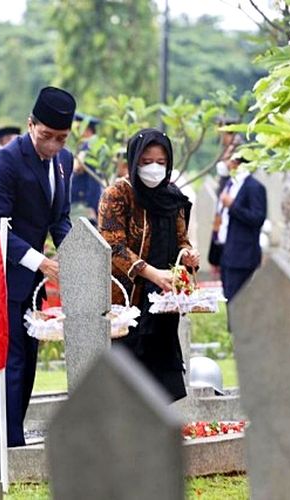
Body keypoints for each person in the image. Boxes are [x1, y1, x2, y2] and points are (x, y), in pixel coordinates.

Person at [0, 86, 76, 480]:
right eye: (46, 136)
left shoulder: (64, 162)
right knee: (7, 363)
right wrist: (42, 261)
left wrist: (78, 255)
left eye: (61, 138)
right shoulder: (5, 162)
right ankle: (11, 454)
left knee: (26, 364)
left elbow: (59, 219)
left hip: (30, 277)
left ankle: (4, 455)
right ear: (30, 126)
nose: (53, 145)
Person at [98, 128, 200, 402]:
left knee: (161, 385)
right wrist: (151, 273)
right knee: (127, 384)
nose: (154, 168)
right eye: (146, 162)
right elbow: (113, 247)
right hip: (128, 301)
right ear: (133, 161)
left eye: (161, 162)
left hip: (163, 305)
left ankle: (155, 440)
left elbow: (181, 240)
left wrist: (188, 256)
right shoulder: (118, 194)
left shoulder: (172, 197)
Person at [216, 154, 267, 301]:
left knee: (238, 303)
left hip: (242, 256)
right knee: (229, 300)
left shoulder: (254, 187)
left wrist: (233, 205)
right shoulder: (229, 183)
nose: (225, 163)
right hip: (226, 253)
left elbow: (257, 218)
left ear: (237, 162)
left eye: (228, 160)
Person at [71, 113, 103, 221]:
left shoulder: (90, 146)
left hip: (84, 202)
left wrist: (91, 205)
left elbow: (92, 178)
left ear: (87, 129)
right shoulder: (87, 145)